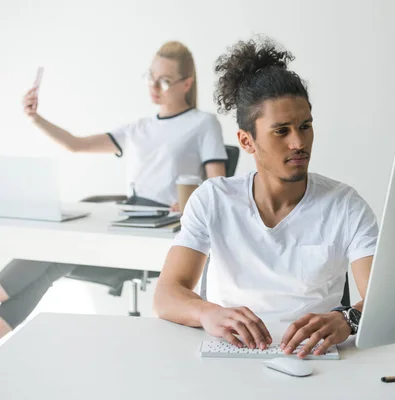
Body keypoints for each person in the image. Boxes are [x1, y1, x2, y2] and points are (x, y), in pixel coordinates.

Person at [153, 37, 378, 358]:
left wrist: (348, 318)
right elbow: (166, 294)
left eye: (305, 126)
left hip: (313, 360)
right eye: (281, 130)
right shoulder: (213, 200)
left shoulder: (345, 205)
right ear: (246, 141)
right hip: (230, 355)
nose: (298, 142)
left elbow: (382, 299)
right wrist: (208, 313)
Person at [0, 41, 228, 339]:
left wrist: (192, 203)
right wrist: (35, 118)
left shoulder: (203, 124)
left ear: (187, 83)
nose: (154, 86)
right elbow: (76, 144)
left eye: (165, 80)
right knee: (51, 254)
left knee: (54, 253)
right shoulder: (139, 128)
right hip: (130, 217)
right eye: (150, 77)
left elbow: (217, 186)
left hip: (162, 229)